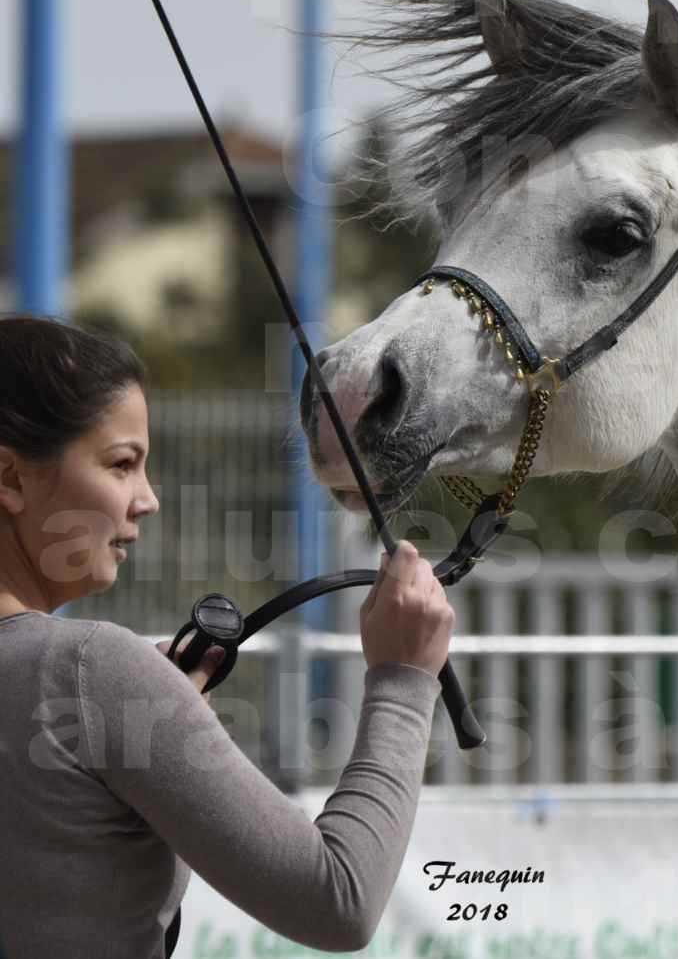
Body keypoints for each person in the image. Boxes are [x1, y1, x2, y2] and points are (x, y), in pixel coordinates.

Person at [0, 315, 456, 958]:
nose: (147, 499)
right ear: (12, 479)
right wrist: (403, 680)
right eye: (122, 464)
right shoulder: (90, 671)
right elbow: (338, 903)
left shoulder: (104, 686)